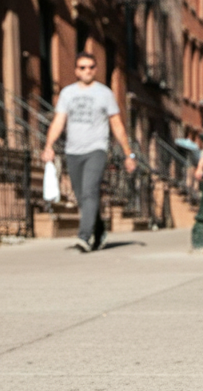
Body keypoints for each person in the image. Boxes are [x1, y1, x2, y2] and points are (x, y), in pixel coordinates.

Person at [42, 52, 137, 252]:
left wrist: (129, 154)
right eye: (82, 67)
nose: (87, 71)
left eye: (91, 67)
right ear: (76, 70)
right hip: (72, 151)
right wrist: (48, 145)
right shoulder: (67, 93)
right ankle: (100, 229)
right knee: (81, 196)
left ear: (96, 69)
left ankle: (84, 236)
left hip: (97, 149)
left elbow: (117, 125)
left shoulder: (105, 93)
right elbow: (59, 121)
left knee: (90, 191)